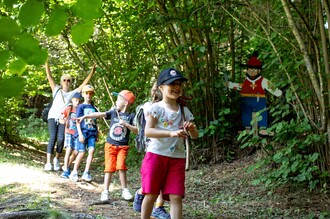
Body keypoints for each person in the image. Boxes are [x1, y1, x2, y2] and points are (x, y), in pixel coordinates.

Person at [140, 68, 199, 219]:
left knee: (176, 196)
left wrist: (191, 129)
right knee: (151, 194)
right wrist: (170, 133)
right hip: (156, 156)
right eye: (172, 83)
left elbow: (195, 136)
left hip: (177, 158)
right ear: (161, 87)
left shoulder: (184, 111)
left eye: (179, 83)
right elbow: (148, 131)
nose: (176, 86)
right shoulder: (156, 108)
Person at [77, 89, 137, 201]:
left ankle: (125, 190)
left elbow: (136, 130)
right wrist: (85, 117)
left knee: (121, 167)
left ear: (125, 103)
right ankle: (105, 191)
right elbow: (99, 114)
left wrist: (126, 124)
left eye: (118, 100)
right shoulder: (113, 112)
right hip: (110, 145)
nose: (116, 102)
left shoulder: (131, 116)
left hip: (122, 147)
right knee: (108, 168)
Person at [44, 60, 96, 171]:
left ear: (71, 82)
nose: (66, 82)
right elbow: (49, 75)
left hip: (64, 119)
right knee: (53, 137)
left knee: (61, 139)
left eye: (68, 80)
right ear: (61, 82)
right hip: (52, 117)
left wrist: (92, 72)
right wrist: (46, 61)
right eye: (64, 80)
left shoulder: (73, 94)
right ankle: (48, 162)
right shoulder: (56, 89)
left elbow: (83, 85)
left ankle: (57, 159)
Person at [133, 83, 171, 219]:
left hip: (169, 148)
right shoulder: (149, 107)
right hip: (152, 147)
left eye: (157, 88)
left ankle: (159, 206)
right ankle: (140, 192)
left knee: (166, 180)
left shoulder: (171, 106)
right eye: (153, 88)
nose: (155, 91)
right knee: (154, 182)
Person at [227, 51, 282, 135]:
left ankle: (263, 128)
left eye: (255, 69)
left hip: (259, 100)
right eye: (250, 69)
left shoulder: (263, 80)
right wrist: (229, 84)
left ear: (258, 70)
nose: (252, 71)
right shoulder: (246, 81)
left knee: (262, 111)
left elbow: (271, 87)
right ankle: (247, 128)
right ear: (247, 70)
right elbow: (239, 86)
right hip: (246, 100)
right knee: (246, 112)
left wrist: (278, 93)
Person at [69, 85, 98, 182]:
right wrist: (80, 134)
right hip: (83, 132)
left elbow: (96, 120)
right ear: (83, 94)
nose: (88, 95)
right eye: (86, 93)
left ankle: (86, 172)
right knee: (81, 152)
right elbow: (77, 121)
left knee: (92, 150)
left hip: (92, 133)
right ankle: (74, 172)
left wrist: (96, 133)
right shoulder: (81, 107)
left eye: (90, 93)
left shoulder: (94, 107)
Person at [60, 92, 82, 178]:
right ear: (72, 100)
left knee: (76, 152)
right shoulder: (68, 108)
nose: (77, 102)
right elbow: (61, 118)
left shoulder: (81, 110)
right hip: (68, 131)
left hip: (77, 133)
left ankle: (67, 166)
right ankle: (65, 170)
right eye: (76, 100)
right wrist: (62, 120)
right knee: (68, 149)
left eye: (79, 101)